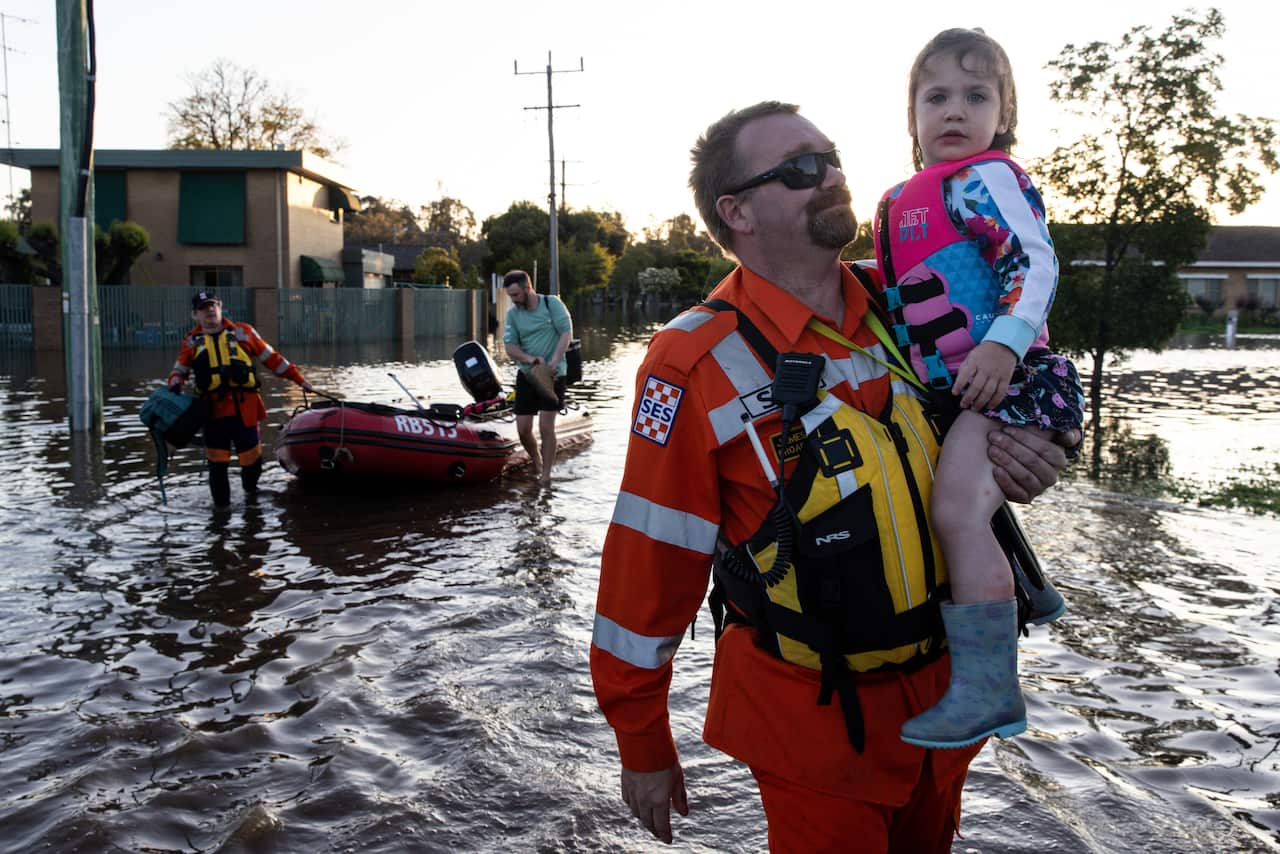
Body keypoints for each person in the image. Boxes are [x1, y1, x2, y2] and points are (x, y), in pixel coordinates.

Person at [590, 100, 1081, 852]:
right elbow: (647, 563)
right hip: (814, 729)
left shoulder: (910, 306)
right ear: (738, 213)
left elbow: (1000, 414)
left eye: (833, 158)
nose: (833, 177)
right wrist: (643, 742)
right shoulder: (692, 364)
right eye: (800, 169)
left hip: (947, 705)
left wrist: (1041, 454)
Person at [873, 28, 1086, 750]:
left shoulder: (987, 180)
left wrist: (1001, 342)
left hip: (1012, 379)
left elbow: (1036, 261)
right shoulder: (908, 200)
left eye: (975, 95)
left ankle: (991, 692)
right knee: (963, 505)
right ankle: (1031, 592)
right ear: (912, 117)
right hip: (965, 391)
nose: (954, 110)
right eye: (936, 96)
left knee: (957, 508)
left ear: (1004, 113)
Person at [168, 289, 313, 507]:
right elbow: (179, 370)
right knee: (217, 466)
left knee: (252, 462)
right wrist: (175, 381)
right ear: (195, 315)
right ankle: (221, 513)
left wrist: (299, 379)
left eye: (212, 305)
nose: (209, 311)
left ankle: (250, 497)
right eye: (203, 308)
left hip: (244, 410)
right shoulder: (191, 342)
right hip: (213, 413)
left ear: (220, 307)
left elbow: (273, 359)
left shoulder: (244, 332)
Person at [501, 269, 573, 485]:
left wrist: (553, 362)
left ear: (527, 288)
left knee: (545, 427)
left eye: (515, 294)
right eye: (510, 295)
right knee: (523, 430)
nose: (512, 300)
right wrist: (530, 359)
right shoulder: (513, 314)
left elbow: (566, 333)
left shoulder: (552, 304)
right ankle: (537, 461)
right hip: (527, 375)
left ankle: (546, 475)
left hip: (553, 375)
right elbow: (510, 347)